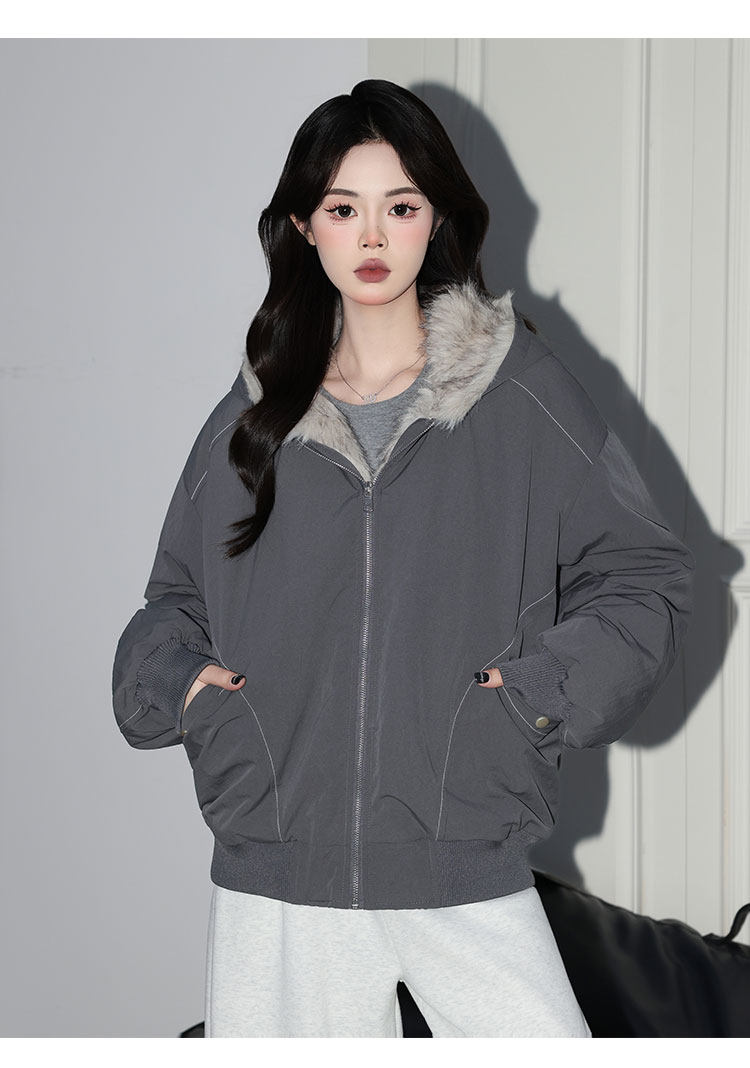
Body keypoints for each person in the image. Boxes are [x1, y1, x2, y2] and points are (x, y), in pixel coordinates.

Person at [112, 79, 695, 1038]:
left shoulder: (521, 393)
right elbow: (173, 598)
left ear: (437, 219)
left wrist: (531, 693)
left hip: (458, 853)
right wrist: (188, 692)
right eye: (344, 209)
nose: (374, 236)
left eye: (402, 206)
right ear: (304, 226)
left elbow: (644, 578)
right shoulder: (255, 414)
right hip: (280, 867)